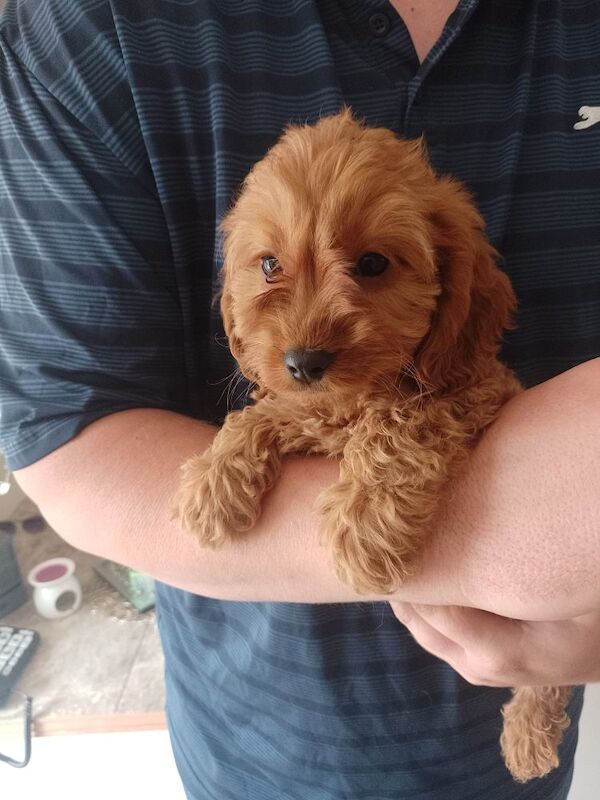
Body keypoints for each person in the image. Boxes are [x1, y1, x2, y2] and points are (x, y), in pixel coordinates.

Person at [0, 0, 598, 797]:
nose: (309, 330)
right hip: (251, 749)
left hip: (502, 756)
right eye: (272, 270)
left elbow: (466, 401)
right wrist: (244, 447)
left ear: (456, 292)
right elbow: (59, 424)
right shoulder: (88, 29)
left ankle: (537, 711)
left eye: (374, 266)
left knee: (535, 700)